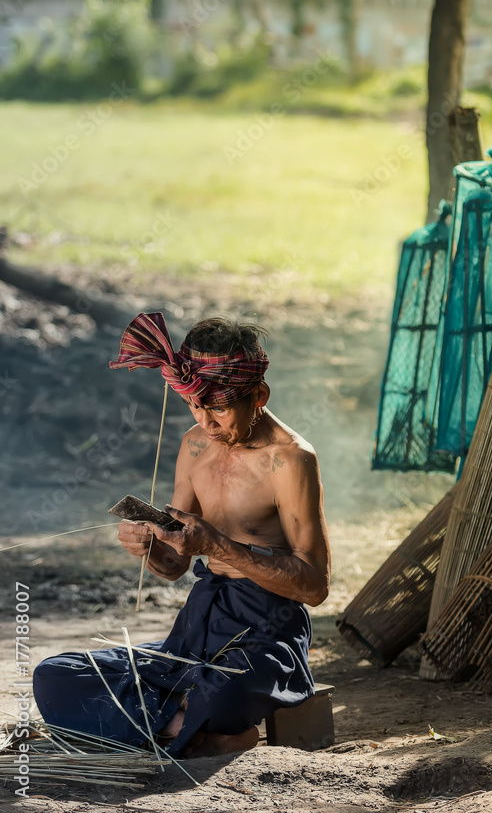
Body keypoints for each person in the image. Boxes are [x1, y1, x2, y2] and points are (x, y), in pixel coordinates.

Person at [33, 312, 330, 758]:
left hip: (266, 632)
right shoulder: (194, 446)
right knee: (55, 674)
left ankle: (178, 721)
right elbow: (175, 567)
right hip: (195, 630)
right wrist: (151, 549)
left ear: (259, 396)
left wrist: (219, 546)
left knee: (225, 691)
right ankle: (184, 724)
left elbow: (314, 586)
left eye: (219, 408)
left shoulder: (289, 459)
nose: (206, 422)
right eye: (195, 405)